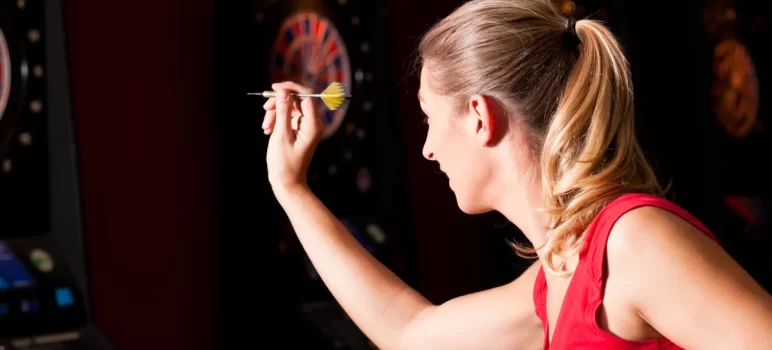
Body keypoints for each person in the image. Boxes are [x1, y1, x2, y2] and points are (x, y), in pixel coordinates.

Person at [260, 0, 772, 348]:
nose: (427, 149)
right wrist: (291, 188)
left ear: (480, 117)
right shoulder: (558, 277)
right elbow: (411, 334)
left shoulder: (633, 243)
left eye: (428, 118)